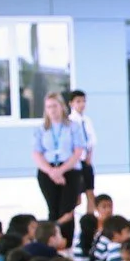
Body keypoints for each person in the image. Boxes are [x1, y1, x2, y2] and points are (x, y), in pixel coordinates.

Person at [32, 93, 87, 236]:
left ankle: (66, 243)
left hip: (69, 169)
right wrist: (52, 172)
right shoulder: (41, 129)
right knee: (53, 209)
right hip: (47, 170)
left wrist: (61, 170)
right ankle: (51, 241)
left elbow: (78, 151)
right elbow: (37, 153)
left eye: (55, 106)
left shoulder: (73, 126)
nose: (52, 110)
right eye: (49, 107)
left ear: (62, 106)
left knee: (67, 209)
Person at [65, 89, 99, 217]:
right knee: (76, 197)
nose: (82, 104)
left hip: (86, 161)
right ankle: (69, 217)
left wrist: (90, 156)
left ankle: (90, 220)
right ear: (71, 104)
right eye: (78, 101)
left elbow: (92, 140)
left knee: (90, 192)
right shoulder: (69, 121)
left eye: (83, 101)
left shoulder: (87, 120)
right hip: (75, 163)